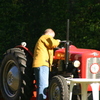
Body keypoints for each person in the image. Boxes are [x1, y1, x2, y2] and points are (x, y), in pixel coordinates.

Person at [32, 28, 60, 100]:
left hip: (38, 64)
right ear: (49, 34)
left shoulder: (41, 40)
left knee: (40, 85)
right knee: (44, 85)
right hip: (43, 64)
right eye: (52, 37)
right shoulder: (45, 37)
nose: (52, 38)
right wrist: (58, 41)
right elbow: (52, 43)